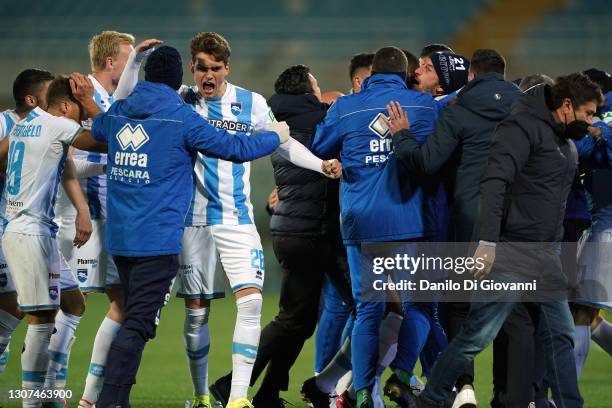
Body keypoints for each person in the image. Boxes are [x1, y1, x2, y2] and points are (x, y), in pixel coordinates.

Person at [86, 45, 292, 408]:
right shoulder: (182, 117)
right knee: (137, 325)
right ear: (181, 77)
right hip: (158, 240)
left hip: (119, 240)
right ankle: (108, 401)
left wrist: (126, 69)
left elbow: (99, 125)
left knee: (129, 316)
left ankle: (99, 399)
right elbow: (234, 148)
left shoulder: (120, 111)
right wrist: (276, 136)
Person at [391, 72, 602, 408]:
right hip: (513, 252)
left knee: (560, 335)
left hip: (545, 254)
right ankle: (431, 399)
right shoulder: (521, 128)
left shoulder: (561, 139)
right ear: (566, 105)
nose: (591, 121)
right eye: (588, 112)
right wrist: (488, 243)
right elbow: (494, 184)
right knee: (477, 335)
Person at [392, 48, 522, 408]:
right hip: (518, 219)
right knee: (516, 310)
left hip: (469, 218)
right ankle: (514, 396)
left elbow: (426, 163)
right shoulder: (525, 109)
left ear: (472, 75)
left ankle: (463, 387)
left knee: (459, 307)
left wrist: (402, 136)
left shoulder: (458, 111)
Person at [309, 45, 438, 408]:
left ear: (370, 74)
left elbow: (319, 145)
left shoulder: (347, 107)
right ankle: (401, 373)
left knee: (368, 309)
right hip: (405, 222)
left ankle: (363, 390)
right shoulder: (423, 105)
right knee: (414, 307)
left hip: (360, 223)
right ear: (404, 74)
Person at [0, 72, 113, 407]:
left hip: (37, 233)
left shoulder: (26, 122)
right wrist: (92, 106)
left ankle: (47, 392)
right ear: (66, 106)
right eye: (77, 108)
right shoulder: (58, 123)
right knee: (40, 318)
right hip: (28, 233)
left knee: (73, 302)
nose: (80, 116)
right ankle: (33, 401)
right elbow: (103, 142)